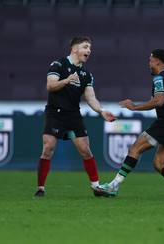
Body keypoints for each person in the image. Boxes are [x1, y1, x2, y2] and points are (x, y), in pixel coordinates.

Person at [97, 49, 164, 199]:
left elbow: (159, 101)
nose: (149, 64)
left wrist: (134, 107)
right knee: (159, 163)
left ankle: (113, 186)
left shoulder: (160, 78)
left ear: (157, 61)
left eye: (151, 60)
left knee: (134, 149)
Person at [34, 36, 117, 197]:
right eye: (85, 47)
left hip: (73, 115)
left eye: (90, 48)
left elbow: (91, 98)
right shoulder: (58, 64)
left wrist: (101, 111)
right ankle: (40, 188)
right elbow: (50, 86)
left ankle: (96, 187)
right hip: (55, 113)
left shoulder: (86, 74)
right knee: (48, 148)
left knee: (86, 150)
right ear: (74, 49)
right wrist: (67, 80)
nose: (89, 51)